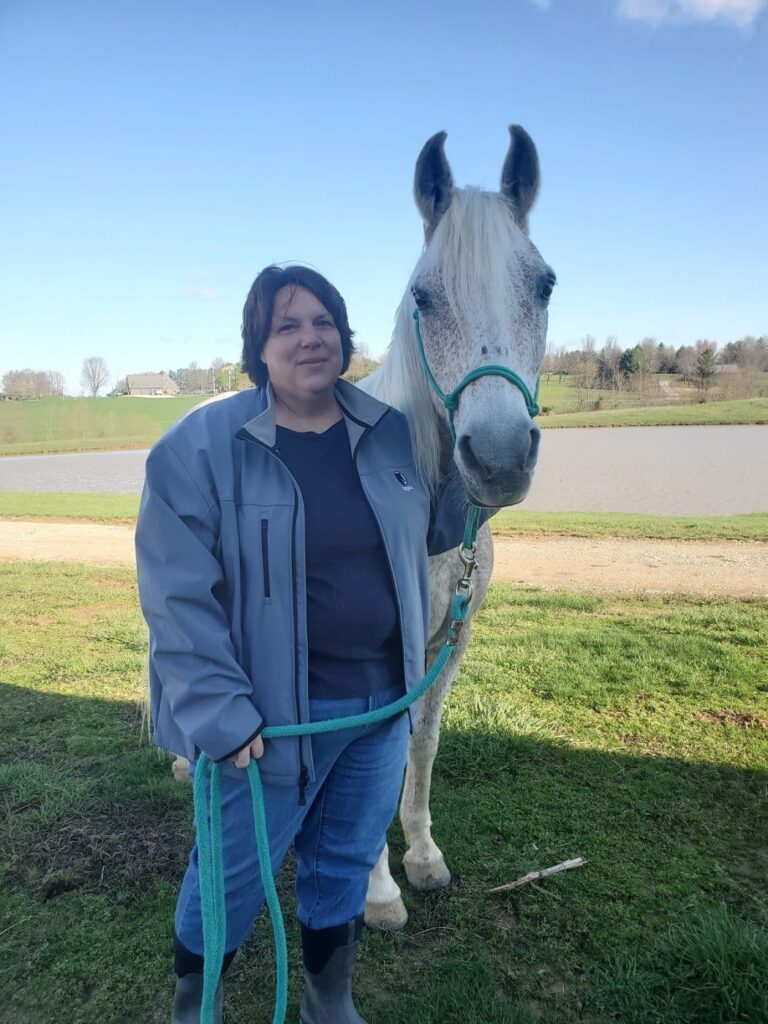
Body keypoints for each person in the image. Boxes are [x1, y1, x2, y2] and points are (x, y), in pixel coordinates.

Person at [135, 264, 479, 1023]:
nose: (309, 338)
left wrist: (485, 459)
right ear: (258, 347)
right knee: (232, 873)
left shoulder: (389, 434)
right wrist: (222, 715)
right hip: (266, 725)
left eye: (323, 321)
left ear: (347, 337)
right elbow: (175, 594)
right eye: (286, 325)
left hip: (379, 712)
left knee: (345, 866)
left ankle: (331, 1004)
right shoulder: (198, 447)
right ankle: (197, 1009)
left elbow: (433, 530)